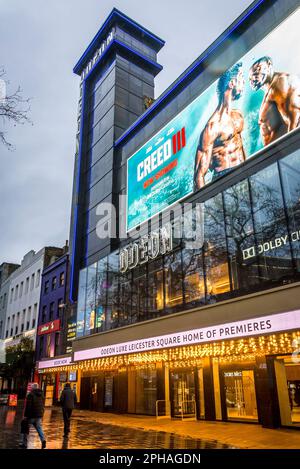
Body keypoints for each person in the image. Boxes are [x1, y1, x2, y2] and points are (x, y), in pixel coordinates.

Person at [194, 62, 246, 190]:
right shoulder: (212, 127)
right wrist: (206, 205)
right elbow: (199, 176)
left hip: (244, 174)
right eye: (240, 77)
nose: (243, 81)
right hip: (224, 180)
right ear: (231, 83)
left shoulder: (238, 115)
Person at [249, 56, 300, 146]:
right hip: (278, 156)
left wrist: (291, 152)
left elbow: (294, 118)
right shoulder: (271, 88)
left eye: (258, 70)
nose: (254, 78)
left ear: (269, 65)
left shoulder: (280, 82)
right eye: (251, 76)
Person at [20, 383, 46, 449]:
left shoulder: (30, 395)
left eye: (31, 387)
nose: (30, 388)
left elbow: (28, 407)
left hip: (31, 415)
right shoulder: (42, 394)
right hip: (39, 415)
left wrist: (25, 416)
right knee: (39, 428)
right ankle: (43, 440)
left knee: (25, 427)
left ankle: (24, 443)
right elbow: (43, 405)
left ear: (33, 388)